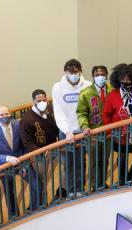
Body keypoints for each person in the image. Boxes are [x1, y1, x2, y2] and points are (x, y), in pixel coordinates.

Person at [52, 59, 91, 197]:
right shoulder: (57, 87)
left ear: (80, 70)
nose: (74, 74)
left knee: (81, 161)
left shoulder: (88, 85)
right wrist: (67, 131)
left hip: (83, 131)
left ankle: (79, 189)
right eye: (71, 71)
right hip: (66, 132)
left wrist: (86, 126)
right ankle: (70, 191)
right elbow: (58, 111)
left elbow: (90, 109)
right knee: (69, 163)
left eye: (76, 71)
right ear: (65, 72)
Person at [0, 105, 38, 217]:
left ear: (10, 114)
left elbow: (25, 144)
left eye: (6, 114)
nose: (5, 116)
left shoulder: (18, 124)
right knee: (10, 192)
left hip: (22, 162)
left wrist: (25, 160)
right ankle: (14, 215)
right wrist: (7, 158)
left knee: (36, 184)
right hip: (4, 166)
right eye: (2, 115)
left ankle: (35, 208)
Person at [103, 63, 132, 185]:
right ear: (118, 79)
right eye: (123, 79)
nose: (126, 82)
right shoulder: (113, 95)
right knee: (122, 159)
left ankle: (130, 176)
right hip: (120, 136)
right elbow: (106, 115)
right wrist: (112, 132)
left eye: (129, 79)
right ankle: (122, 179)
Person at [20, 89, 60, 202]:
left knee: (66, 166)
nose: (42, 102)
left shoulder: (50, 111)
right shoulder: (27, 119)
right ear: (33, 101)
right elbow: (27, 142)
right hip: (40, 155)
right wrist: (42, 152)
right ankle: (41, 203)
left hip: (55, 149)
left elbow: (56, 129)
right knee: (41, 179)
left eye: (44, 100)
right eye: (39, 100)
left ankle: (61, 193)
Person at [77, 65, 113, 191]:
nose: (100, 77)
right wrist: (84, 126)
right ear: (92, 76)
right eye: (97, 75)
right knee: (94, 161)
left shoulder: (113, 90)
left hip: (108, 133)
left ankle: (102, 183)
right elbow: (81, 113)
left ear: (107, 75)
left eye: (102, 74)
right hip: (93, 134)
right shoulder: (86, 93)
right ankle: (94, 185)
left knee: (105, 160)